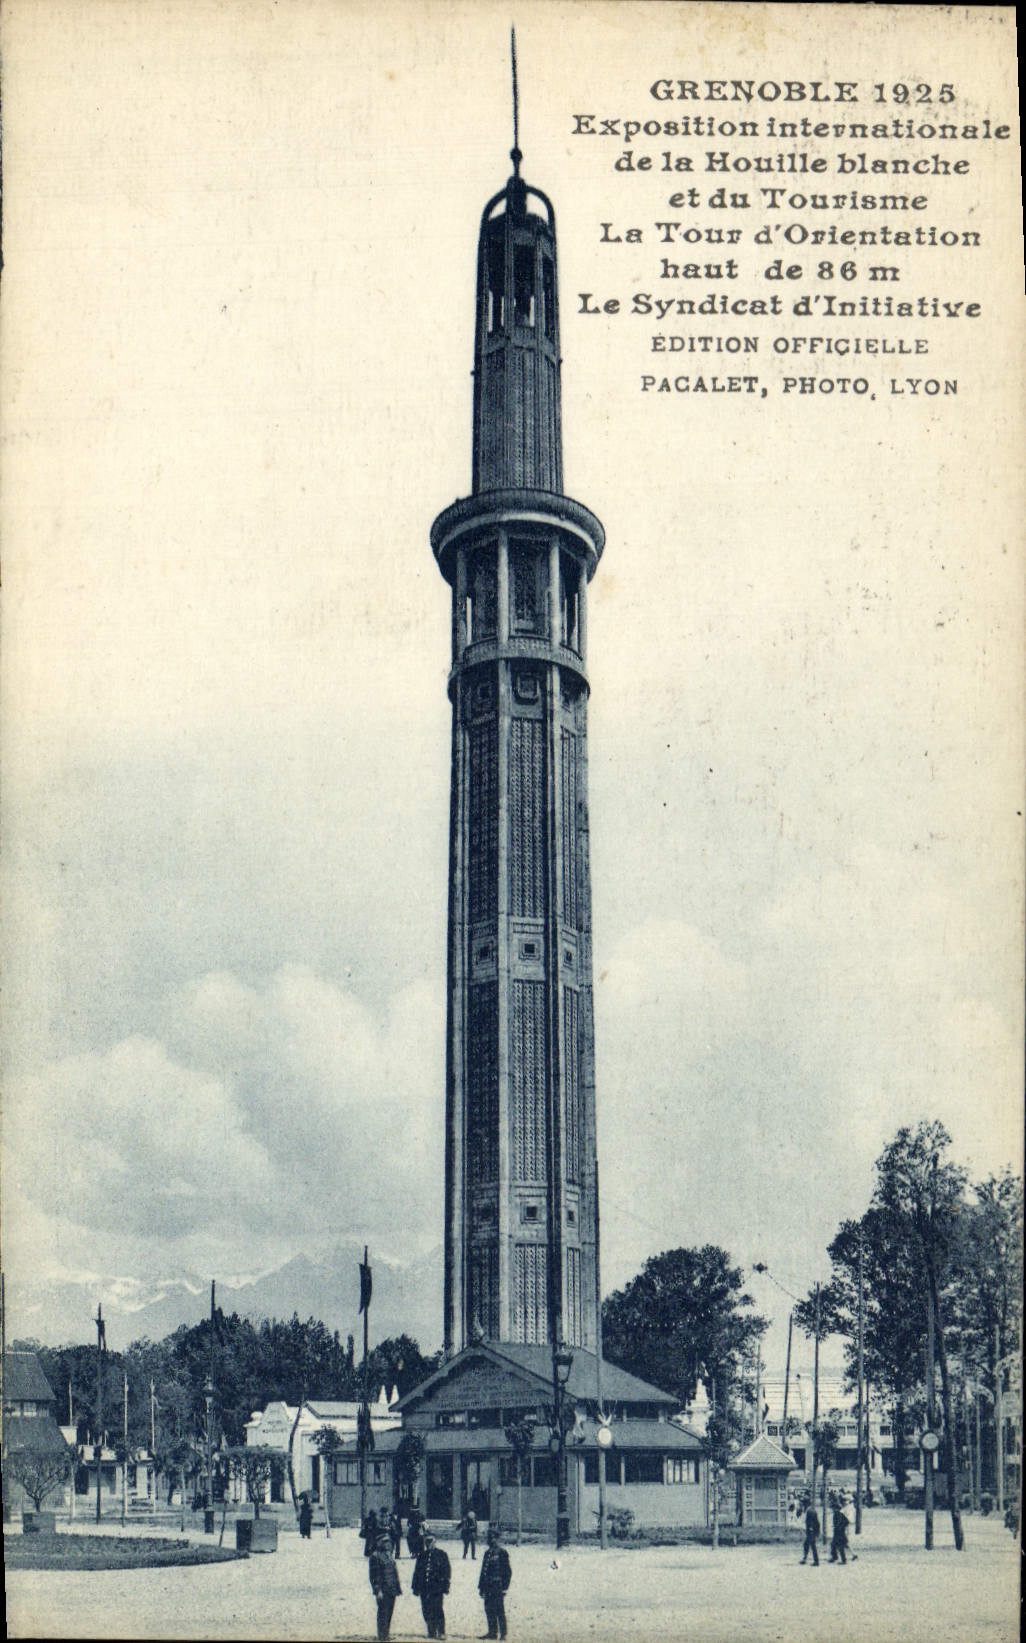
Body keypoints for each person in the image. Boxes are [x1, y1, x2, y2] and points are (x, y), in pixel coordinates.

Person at [412, 1529, 451, 1639]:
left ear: (435, 1541)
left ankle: (441, 1631)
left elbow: (447, 1571)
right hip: (424, 1587)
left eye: (430, 1541)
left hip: (436, 1588)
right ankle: (431, 1630)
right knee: (426, 1609)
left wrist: (445, 1586)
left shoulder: (442, 1554)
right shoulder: (422, 1556)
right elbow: (417, 1572)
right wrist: (415, 1587)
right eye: (426, 1541)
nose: (428, 1543)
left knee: (438, 1609)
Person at [478, 1526, 512, 1641]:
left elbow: (507, 1571)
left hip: (497, 1585)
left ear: (497, 1539)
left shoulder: (502, 1553)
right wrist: (481, 1587)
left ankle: (503, 1633)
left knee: (499, 1610)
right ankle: (492, 1632)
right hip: (488, 1586)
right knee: (489, 1609)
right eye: (489, 1538)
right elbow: (483, 1571)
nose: (491, 1540)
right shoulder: (487, 1553)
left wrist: (505, 1587)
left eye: (493, 1538)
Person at [369, 1530, 403, 1642]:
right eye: (385, 1542)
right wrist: (377, 1590)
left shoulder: (388, 1555)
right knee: (383, 1612)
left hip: (392, 1589)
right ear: (379, 1543)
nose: (388, 1543)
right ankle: (382, 1635)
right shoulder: (375, 1556)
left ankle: (386, 1634)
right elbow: (374, 1576)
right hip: (383, 1590)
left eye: (388, 1541)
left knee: (389, 1612)